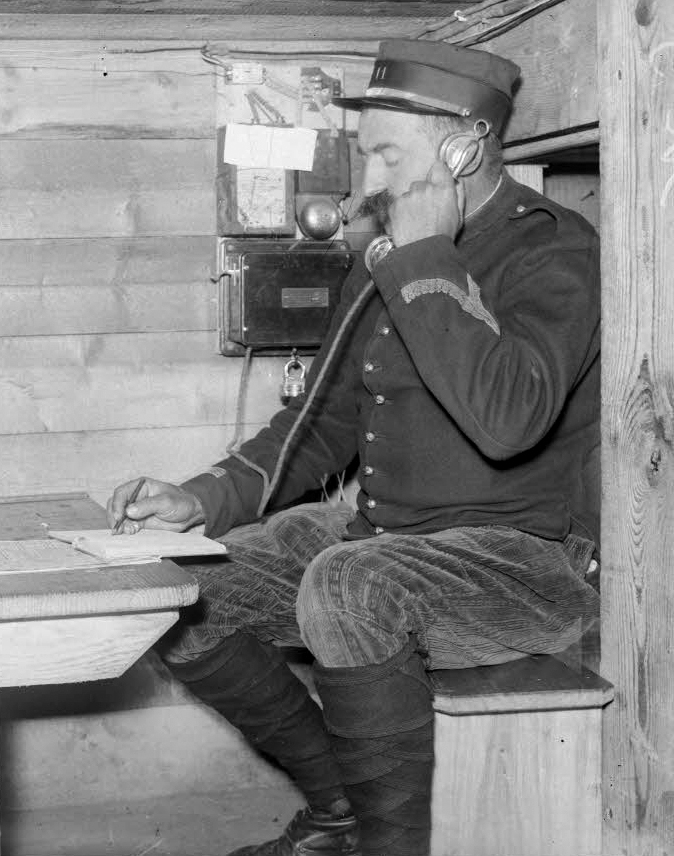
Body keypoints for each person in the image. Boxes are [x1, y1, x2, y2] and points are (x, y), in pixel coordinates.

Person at [106, 38, 600, 856]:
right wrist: (202, 498)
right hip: (388, 542)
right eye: (363, 154)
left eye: (384, 155)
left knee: (350, 583)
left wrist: (421, 257)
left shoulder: (554, 251)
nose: (365, 183)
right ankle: (343, 810)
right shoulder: (384, 258)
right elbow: (324, 423)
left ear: (462, 146)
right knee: (180, 589)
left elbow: (509, 418)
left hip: (524, 564)